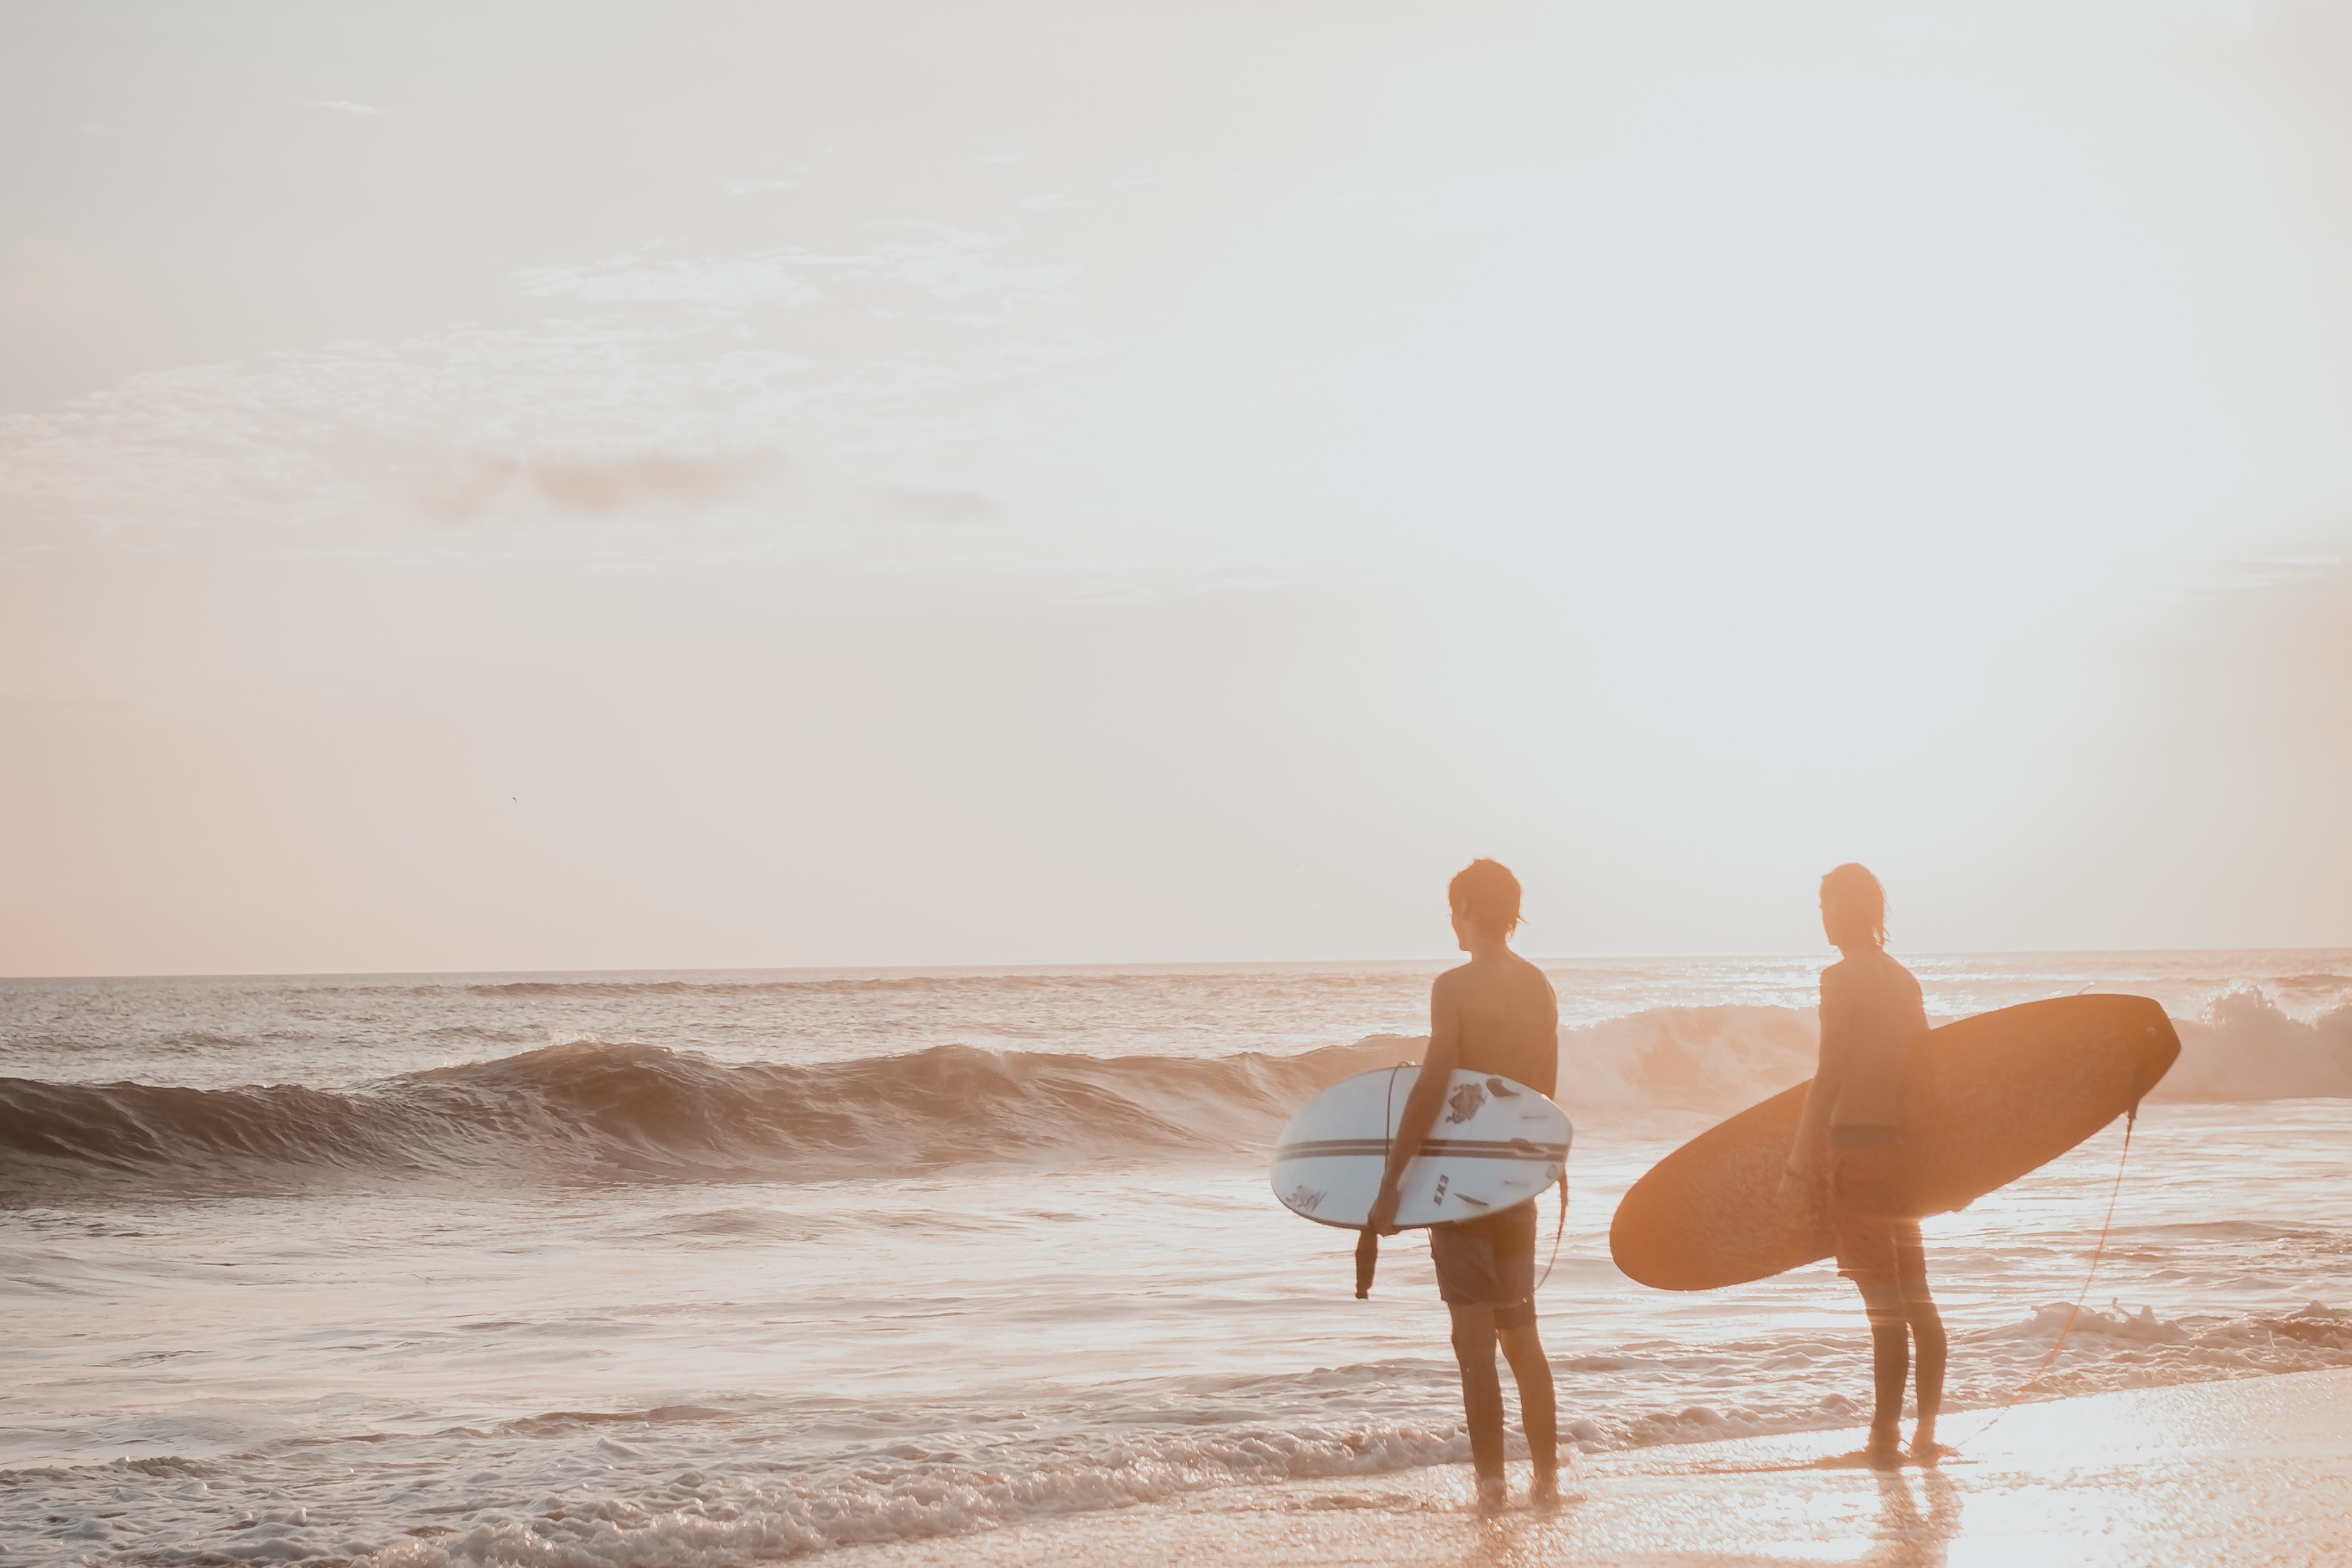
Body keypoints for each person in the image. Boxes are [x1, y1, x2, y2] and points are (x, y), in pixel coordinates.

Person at [1365, 859, 1562, 1511]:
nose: (1451, 921)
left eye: (1455, 909)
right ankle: (1546, 1480)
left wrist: (1392, 1182)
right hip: (1514, 1184)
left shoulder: (1452, 986)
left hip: (1457, 1189)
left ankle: (1490, 1489)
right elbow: (1543, 1094)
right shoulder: (1539, 986)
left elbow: (1430, 1086)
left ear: (1472, 909)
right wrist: (1535, 1167)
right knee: (1522, 1338)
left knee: (1473, 1347)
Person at [1777, 863, 1947, 1467]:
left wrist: (1798, 1159)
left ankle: (1882, 1442)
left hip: (1855, 1153)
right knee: (1917, 1299)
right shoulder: (1903, 980)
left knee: (1882, 1310)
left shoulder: (1839, 978)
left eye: (1824, 905)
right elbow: (1924, 1072)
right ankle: (1924, 1434)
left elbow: (1829, 1077)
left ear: (1842, 910)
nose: (1820, 916)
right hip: (1901, 1154)